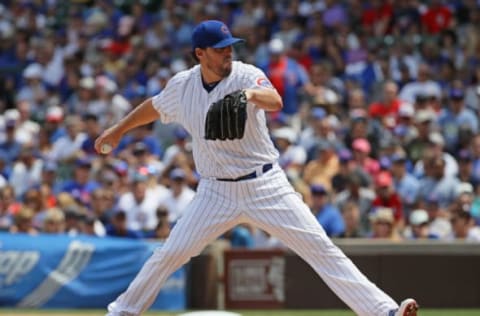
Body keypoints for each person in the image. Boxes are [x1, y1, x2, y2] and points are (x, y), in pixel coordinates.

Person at [95, 20, 418, 316]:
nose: (227, 54)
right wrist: (118, 129)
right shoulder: (183, 86)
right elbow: (154, 105)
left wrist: (248, 95)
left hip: (266, 186)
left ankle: (383, 312)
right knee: (170, 254)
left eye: (229, 47)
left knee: (321, 248)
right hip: (216, 192)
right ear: (200, 54)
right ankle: (122, 311)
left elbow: (274, 100)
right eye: (219, 49)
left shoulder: (245, 74)